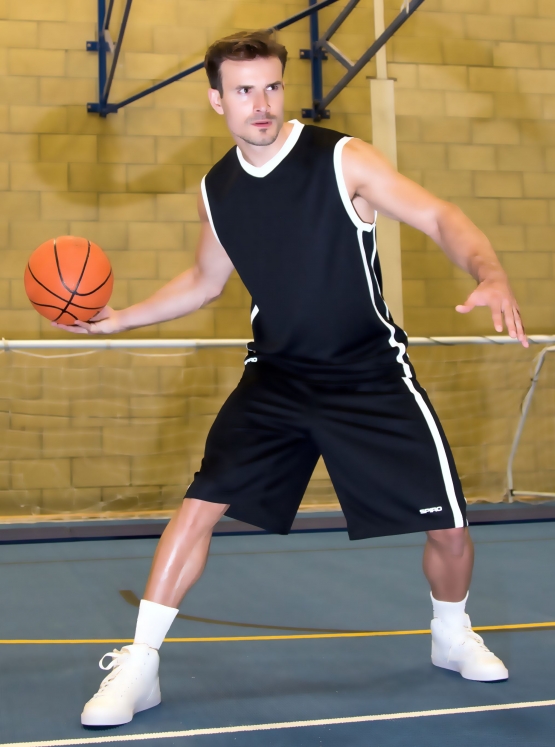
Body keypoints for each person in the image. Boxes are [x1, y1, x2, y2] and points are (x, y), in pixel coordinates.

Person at [55, 31, 528, 727]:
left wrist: (488, 272)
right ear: (216, 98)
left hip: (369, 374)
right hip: (276, 375)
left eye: (272, 86)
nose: (262, 103)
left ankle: (451, 632)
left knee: (450, 530)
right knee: (200, 505)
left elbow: (437, 215)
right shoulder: (216, 188)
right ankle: (141, 664)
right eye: (244, 90)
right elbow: (203, 279)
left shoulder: (341, 159)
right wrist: (119, 318)